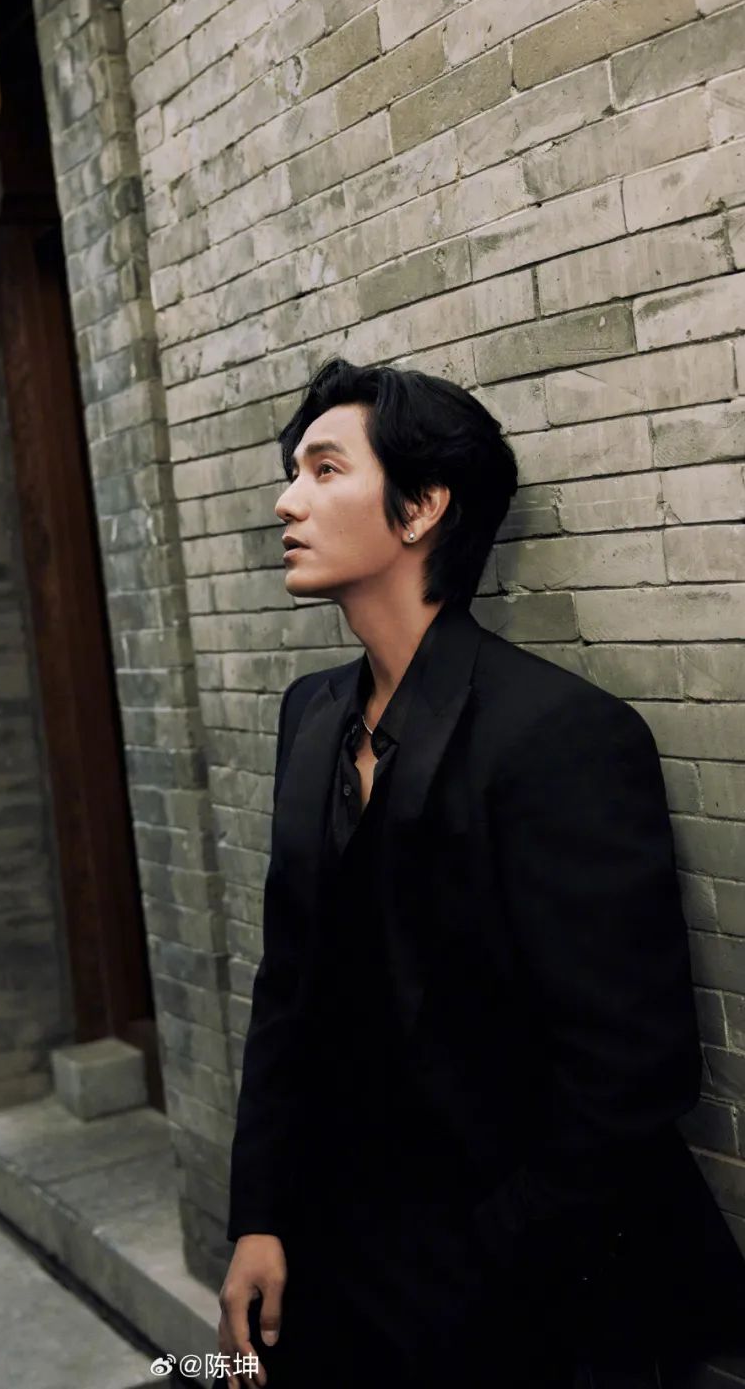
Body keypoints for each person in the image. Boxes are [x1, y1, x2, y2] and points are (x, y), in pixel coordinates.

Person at [216, 358, 745, 1389]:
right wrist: (260, 1217)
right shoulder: (310, 715)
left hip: (525, 1285)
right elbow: (289, 992)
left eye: (325, 470)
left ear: (422, 508)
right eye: (293, 472)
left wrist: (468, 1275)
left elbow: (632, 1072)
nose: (286, 500)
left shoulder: (561, 735)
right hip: (340, 1251)